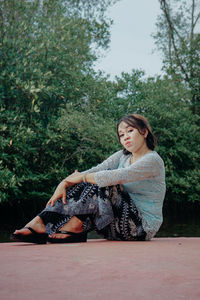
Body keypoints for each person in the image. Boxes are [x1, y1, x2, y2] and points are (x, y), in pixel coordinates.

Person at [11, 114, 166, 244]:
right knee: (94, 178)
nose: (125, 137)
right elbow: (96, 170)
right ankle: (44, 221)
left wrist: (80, 178)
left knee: (103, 181)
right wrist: (64, 182)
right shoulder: (123, 156)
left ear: (144, 132)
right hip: (113, 227)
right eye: (121, 135)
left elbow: (116, 176)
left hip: (140, 228)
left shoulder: (152, 160)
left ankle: (71, 227)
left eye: (130, 131)